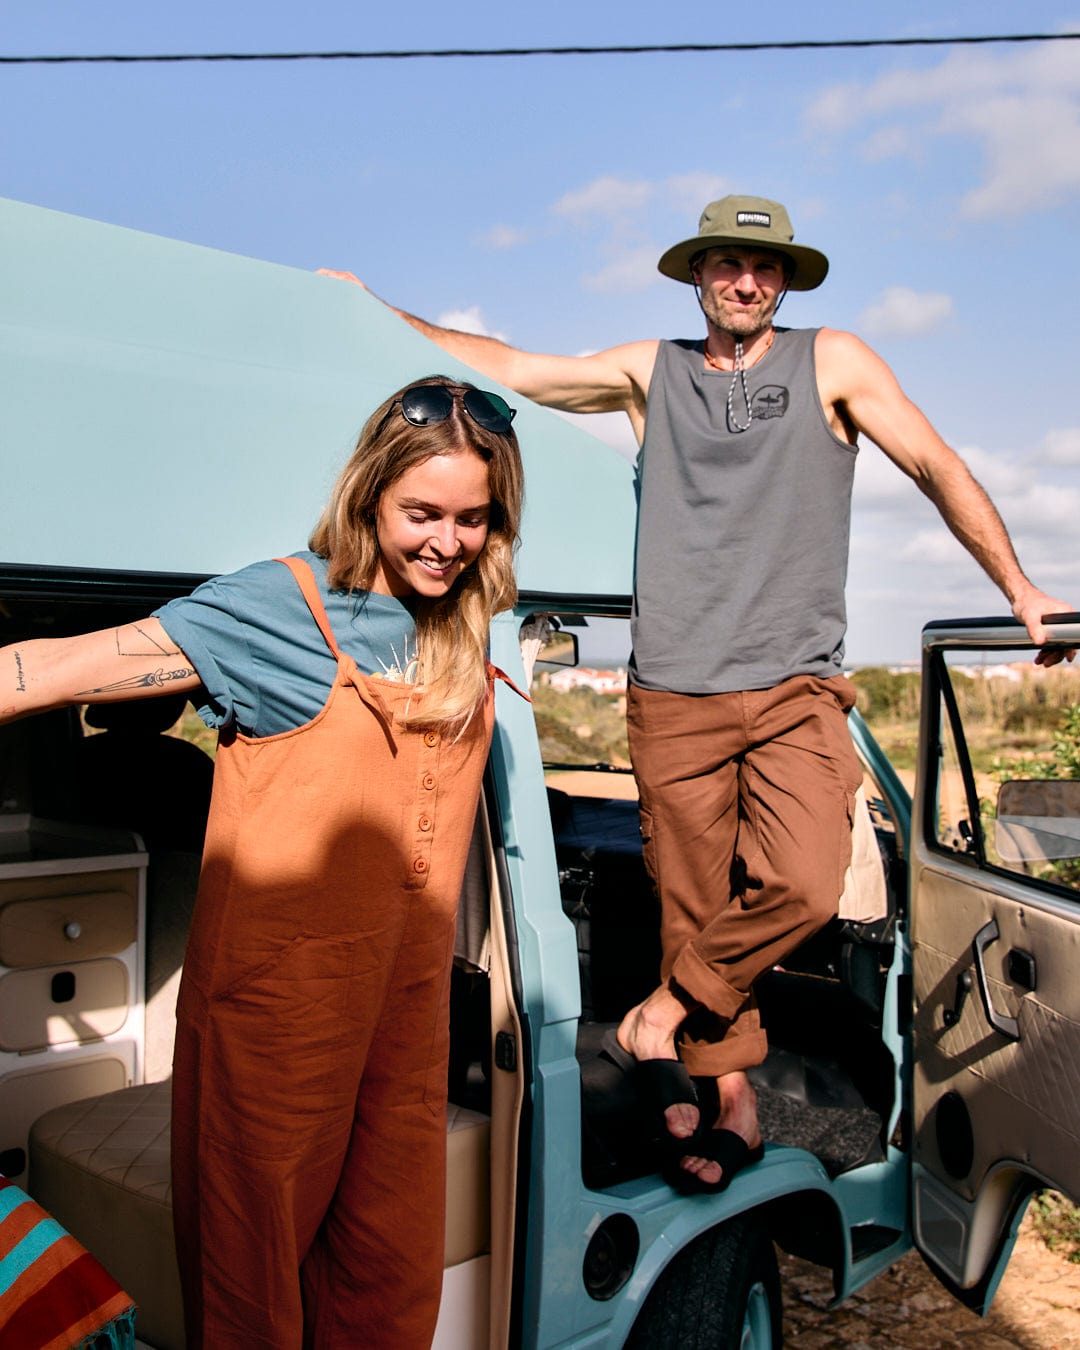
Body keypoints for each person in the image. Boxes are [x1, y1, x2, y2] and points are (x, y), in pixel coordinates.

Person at [320, 194, 1074, 1193]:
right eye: (728, 265)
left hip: (797, 684)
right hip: (673, 692)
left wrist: (1018, 588)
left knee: (800, 882)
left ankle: (659, 1018)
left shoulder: (833, 363)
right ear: (698, 276)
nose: (747, 282)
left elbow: (935, 463)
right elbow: (514, 367)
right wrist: (383, 313)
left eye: (766, 269)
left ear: (787, 281)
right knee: (697, 912)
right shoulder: (650, 373)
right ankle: (732, 1103)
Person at [0, 375, 525, 1348]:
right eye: (422, 514)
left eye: (473, 520)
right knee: (251, 1285)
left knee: (387, 1276)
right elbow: (50, 670)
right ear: (369, 492)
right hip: (278, 1017)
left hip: (403, 1023)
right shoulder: (278, 608)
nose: (446, 544)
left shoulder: (458, 623)